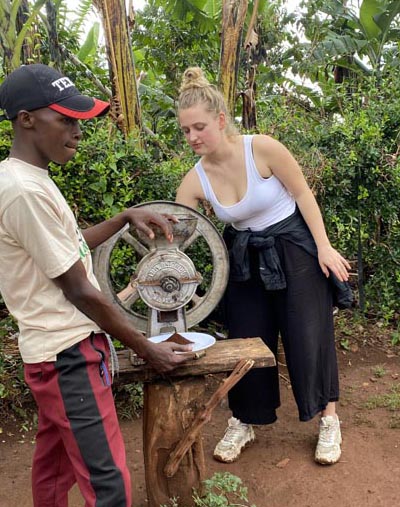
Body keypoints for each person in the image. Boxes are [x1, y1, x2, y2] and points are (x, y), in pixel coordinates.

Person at [0, 63, 193, 507]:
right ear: (26, 119)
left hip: (50, 353)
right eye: (65, 118)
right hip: (69, 358)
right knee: (109, 487)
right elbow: (80, 290)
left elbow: (69, 248)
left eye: (79, 120)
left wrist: (124, 216)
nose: (77, 130)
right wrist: (148, 347)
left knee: (52, 471)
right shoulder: (24, 192)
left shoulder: (29, 180)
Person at [175, 67, 352, 466]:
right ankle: (244, 419)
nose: (192, 137)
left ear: (221, 120)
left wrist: (323, 247)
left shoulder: (263, 149)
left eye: (199, 127)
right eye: (185, 131)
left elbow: (303, 194)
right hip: (244, 257)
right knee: (246, 339)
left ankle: (328, 418)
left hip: (294, 247)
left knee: (309, 334)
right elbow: (180, 236)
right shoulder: (194, 180)